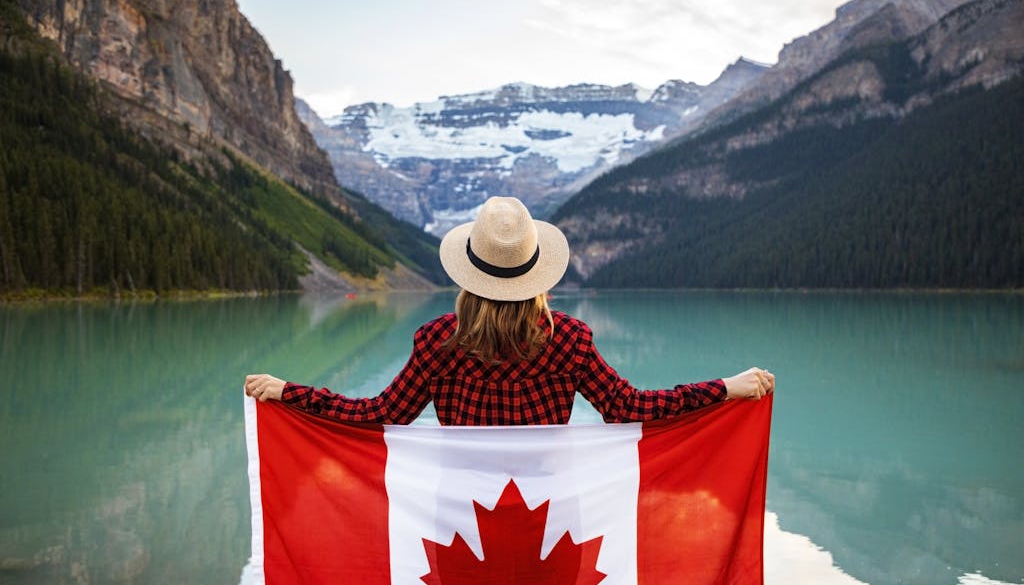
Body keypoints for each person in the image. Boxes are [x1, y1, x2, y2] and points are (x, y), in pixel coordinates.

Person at [245, 196, 774, 424]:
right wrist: (726, 388)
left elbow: (378, 416)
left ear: (467, 273)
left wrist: (291, 394)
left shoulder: (437, 342)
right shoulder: (569, 339)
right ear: (537, 274)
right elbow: (630, 408)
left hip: (460, 516)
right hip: (551, 513)